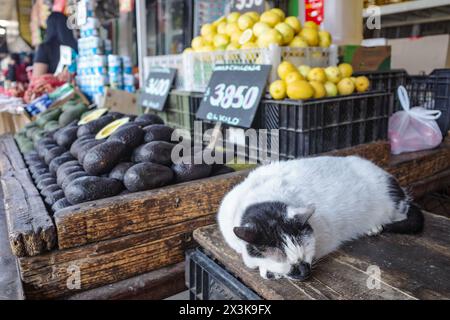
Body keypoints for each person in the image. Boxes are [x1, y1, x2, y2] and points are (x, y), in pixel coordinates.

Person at [33, 12, 77, 77]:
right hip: (76, 86)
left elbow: (37, 78)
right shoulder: (75, 46)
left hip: (53, 86)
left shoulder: (44, 48)